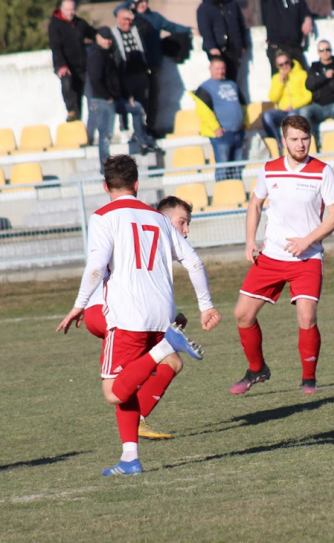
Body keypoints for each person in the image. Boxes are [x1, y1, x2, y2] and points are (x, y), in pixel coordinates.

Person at [57, 155, 222, 475]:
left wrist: (79, 302)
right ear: (137, 184)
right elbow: (195, 262)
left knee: (114, 390)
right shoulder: (159, 218)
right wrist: (206, 305)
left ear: (105, 186)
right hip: (162, 313)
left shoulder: (103, 217)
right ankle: (130, 458)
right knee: (129, 383)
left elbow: (95, 266)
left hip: (127, 315)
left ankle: (166, 346)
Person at [230, 115, 334, 396]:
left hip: (307, 259)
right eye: (294, 139)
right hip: (271, 257)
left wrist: (308, 240)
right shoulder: (269, 170)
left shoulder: (322, 171)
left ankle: (309, 379)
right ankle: (257, 369)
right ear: (283, 141)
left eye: (305, 139)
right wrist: (249, 241)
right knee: (242, 315)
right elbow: (255, 204)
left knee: (306, 317)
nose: (300, 144)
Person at [82, 195, 195, 441]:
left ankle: (133, 439)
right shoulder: (152, 229)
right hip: (107, 310)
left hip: (104, 309)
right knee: (120, 385)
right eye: (182, 222)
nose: (185, 232)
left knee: (172, 363)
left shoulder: (143, 233)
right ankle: (137, 423)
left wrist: (173, 316)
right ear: (163, 218)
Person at [86, 26, 160, 167]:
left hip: (113, 99)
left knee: (137, 108)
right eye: (105, 39)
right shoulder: (96, 54)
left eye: (109, 39)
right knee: (106, 135)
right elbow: (96, 80)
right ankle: (105, 167)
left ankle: (142, 141)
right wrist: (107, 97)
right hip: (103, 101)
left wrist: (127, 96)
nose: (108, 41)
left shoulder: (109, 54)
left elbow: (116, 79)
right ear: (98, 38)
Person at [131, 0, 192, 137]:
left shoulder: (155, 17)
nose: (143, 4)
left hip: (155, 64)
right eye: (139, 2)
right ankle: (138, 130)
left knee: (154, 97)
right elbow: (117, 11)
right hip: (139, 67)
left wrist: (189, 29)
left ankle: (151, 127)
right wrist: (131, 2)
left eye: (144, 1)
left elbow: (172, 27)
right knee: (139, 98)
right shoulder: (132, 18)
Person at [111, 5, 161, 154]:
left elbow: (147, 27)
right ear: (118, 19)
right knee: (127, 105)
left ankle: (140, 133)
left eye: (129, 19)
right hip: (124, 75)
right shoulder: (113, 34)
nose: (128, 22)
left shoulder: (137, 29)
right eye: (125, 19)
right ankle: (125, 130)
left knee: (142, 105)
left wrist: (134, 16)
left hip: (140, 74)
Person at [190, 57, 246, 181]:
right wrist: (216, 129)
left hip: (238, 132)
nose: (221, 71)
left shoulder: (232, 84)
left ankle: (236, 194)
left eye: (222, 68)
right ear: (210, 69)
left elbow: (243, 105)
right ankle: (223, 194)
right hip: (222, 135)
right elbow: (203, 112)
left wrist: (244, 122)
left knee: (237, 168)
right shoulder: (205, 88)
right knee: (223, 167)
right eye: (217, 69)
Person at [48, 0, 97, 122]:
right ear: (61, 9)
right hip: (65, 65)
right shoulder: (54, 26)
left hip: (81, 65)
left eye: (73, 10)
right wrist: (62, 65)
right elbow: (56, 47)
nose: (71, 13)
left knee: (81, 94)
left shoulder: (80, 23)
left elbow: (93, 34)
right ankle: (71, 110)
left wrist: (103, 37)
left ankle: (78, 120)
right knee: (68, 84)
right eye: (68, 10)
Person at [262, 51, 313, 144]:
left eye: (286, 63)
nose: (285, 66)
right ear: (277, 66)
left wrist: (294, 105)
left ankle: (291, 144)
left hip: (297, 109)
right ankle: (278, 144)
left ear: (290, 61)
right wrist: (280, 83)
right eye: (281, 65)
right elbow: (273, 98)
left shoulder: (302, 74)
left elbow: (308, 96)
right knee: (267, 116)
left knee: (292, 115)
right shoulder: (276, 78)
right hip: (283, 110)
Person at [197, 0, 249, 84]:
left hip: (233, 49)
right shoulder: (204, 8)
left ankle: (231, 95)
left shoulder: (232, 4)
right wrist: (211, 47)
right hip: (217, 50)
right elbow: (205, 30)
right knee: (218, 76)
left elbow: (241, 25)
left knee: (233, 78)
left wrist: (242, 45)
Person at [261, 0, 314, 74]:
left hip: (295, 45)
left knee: (303, 76)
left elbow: (305, 10)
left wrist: (308, 18)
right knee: (280, 79)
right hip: (277, 46)